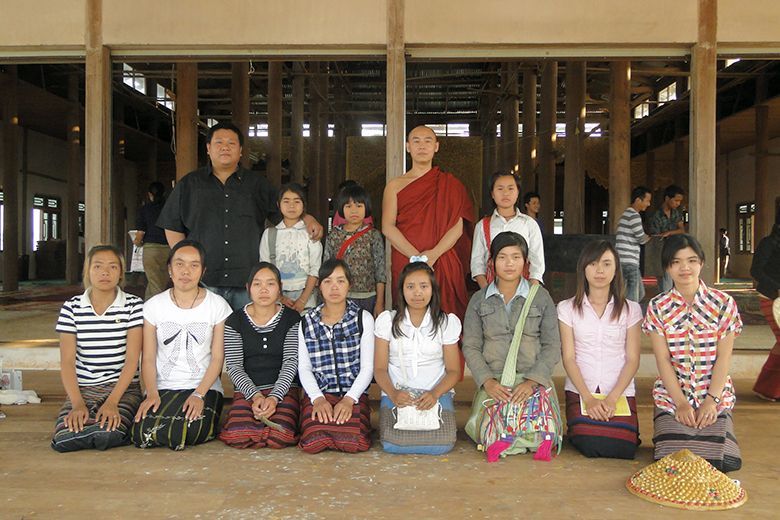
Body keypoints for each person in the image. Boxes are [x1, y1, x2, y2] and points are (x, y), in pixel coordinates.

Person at [157, 121, 323, 310]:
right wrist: (187, 262)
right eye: (219, 142)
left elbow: (286, 213)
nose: (225, 147)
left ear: (241, 150)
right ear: (208, 148)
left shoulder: (257, 185)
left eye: (231, 143)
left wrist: (309, 219)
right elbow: (172, 225)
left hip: (247, 282)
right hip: (204, 280)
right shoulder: (189, 184)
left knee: (247, 328)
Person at [643, 234, 743, 472]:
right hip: (671, 398)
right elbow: (663, 359)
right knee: (670, 461)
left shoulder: (723, 303)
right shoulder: (658, 306)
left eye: (691, 260)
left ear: (702, 263)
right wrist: (680, 403)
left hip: (714, 396)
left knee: (723, 462)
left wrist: (711, 401)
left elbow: (724, 357)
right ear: (667, 267)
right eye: (676, 262)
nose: (684, 268)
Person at [462, 231, 562, 455]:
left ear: (525, 262)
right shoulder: (478, 300)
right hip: (496, 384)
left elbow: (552, 345)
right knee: (488, 434)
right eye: (502, 257)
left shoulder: (541, 297)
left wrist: (531, 382)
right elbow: (471, 346)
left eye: (516, 257)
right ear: (491, 262)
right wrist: (487, 382)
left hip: (533, 383)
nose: (509, 263)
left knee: (544, 434)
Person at [132, 240, 232, 450]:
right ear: (169, 269)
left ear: (203, 271)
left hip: (203, 387)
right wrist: (151, 392)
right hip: (163, 386)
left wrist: (198, 394)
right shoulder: (153, 306)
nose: (186, 271)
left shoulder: (217, 306)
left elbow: (217, 358)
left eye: (194, 265)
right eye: (179, 264)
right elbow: (148, 358)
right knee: (142, 433)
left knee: (190, 431)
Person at [51, 245, 144, 452]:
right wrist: (77, 403)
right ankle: (90, 425)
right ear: (87, 271)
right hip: (84, 388)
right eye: (98, 266)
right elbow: (67, 362)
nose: (105, 272)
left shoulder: (133, 305)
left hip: (123, 389)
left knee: (109, 431)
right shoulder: (72, 307)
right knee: (64, 436)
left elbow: (132, 360)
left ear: (121, 273)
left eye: (113, 267)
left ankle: (104, 427)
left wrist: (112, 402)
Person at [558, 241, 642, 459]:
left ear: (616, 269)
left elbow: (633, 359)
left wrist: (612, 398)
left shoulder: (631, 309)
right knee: (588, 441)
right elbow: (569, 358)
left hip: (619, 390)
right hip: (581, 389)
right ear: (583, 268)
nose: (600, 270)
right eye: (593, 264)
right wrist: (588, 398)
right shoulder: (566, 308)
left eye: (606, 264)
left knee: (624, 445)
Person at [382, 125, 475, 321]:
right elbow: (387, 227)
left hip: (441, 258)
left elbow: (457, 227)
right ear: (408, 147)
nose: (422, 146)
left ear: (436, 146)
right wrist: (416, 258)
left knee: (445, 317)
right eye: (416, 141)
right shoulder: (395, 186)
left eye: (427, 141)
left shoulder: (451, 184)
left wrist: (433, 254)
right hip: (406, 258)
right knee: (407, 316)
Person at [374, 262, 461, 455]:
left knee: (443, 441)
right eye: (410, 286)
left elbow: (454, 371)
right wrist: (393, 393)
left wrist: (434, 394)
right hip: (397, 395)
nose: (417, 293)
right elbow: (379, 369)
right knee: (393, 441)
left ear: (432, 289)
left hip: (435, 394)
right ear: (402, 290)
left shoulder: (446, 323)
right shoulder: (387, 321)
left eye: (423, 286)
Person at [219, 262, 301, 449]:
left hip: (284, 390)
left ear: (279, 288)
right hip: (248, 390)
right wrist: (255, 396)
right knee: (238, 436)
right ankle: (257, 429)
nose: (264, 290)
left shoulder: (292, 318)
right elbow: (234, 366)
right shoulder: (235, 321)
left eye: (270, 284)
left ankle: (264, 429)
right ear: (248, 288)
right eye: (257, 284)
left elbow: (291, 362)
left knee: (280, 436)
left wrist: (274, 397)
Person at [297, 259, 375, 453]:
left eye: (341, 281)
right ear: (319, 285)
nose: (334, 287)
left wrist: (349, 399)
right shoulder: (306, 322)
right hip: (320, 394)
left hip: (353, 395)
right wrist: (317, 398)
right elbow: (304, 368)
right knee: (313, 441)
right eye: (328, 281)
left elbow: (367, 368)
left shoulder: (362, 318)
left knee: (356, 441)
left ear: (349, 285)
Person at [471, 171, 545, 288]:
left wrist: (531, 292)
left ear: (517, 192)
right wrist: (487, 291)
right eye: (500, 189)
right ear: (492, 194)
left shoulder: (529, 224)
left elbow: (537, 261)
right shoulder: (482, 226)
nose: (505, 193)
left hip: (524, 289)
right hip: (492, 288)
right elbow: (477, 263)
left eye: (510, 188)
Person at [324, 182, 385, 317]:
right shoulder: (334, 235)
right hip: (340, 295)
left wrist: (380, 302)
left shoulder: (373, 235)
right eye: (348, 206)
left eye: (359, 206)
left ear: (366, 207)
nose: (354, 210)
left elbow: (380, 271)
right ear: (341, 209)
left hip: (368, 297)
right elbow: (326, 269)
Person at [259, 183, 322, 313]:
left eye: (297, 201)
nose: (291, 206)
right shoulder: (269, 234)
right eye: (286, 201)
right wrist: (280, 298)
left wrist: (302, 300)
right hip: (277, 294)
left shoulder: (310, 232)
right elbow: (265, 268)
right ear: (278, 204)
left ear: (304, 205)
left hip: (307, 294)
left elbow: (315, 269)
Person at [751, 221, 780, 401]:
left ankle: (768, 388)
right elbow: (756, 271)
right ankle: (768, 389)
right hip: (771, 296)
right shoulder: (768, 243)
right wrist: (777, 288)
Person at [615, 186, 653, 303]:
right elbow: (641, 239)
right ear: (638, 200)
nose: (649, 204)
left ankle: (623, 308)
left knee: (639, 293)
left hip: (622, 260)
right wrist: (648, 237)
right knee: (634, 297)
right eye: (647, 200)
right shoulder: (634, 216)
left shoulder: (626, 214)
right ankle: (628, 312)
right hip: (629, 261)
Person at [134, 181, 170, 299]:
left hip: (151, 249)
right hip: (169, 248)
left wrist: (137, 242)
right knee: (163, 281)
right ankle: (150, 304)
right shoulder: (170, 208)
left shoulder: (145, 209)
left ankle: (155, 306)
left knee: (154, 282)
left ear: (150, 194)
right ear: (164, 193)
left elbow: (140, 233)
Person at [648, 185, 686, 292]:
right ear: (667, 198)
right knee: (664, 280)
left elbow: (682, 230)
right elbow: (655, 236)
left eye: (680, 201)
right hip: (661, 251)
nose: (678, 203)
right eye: (676, 200)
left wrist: (669, 233)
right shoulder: (656, 215)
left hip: (675, 250)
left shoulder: (676, 213)